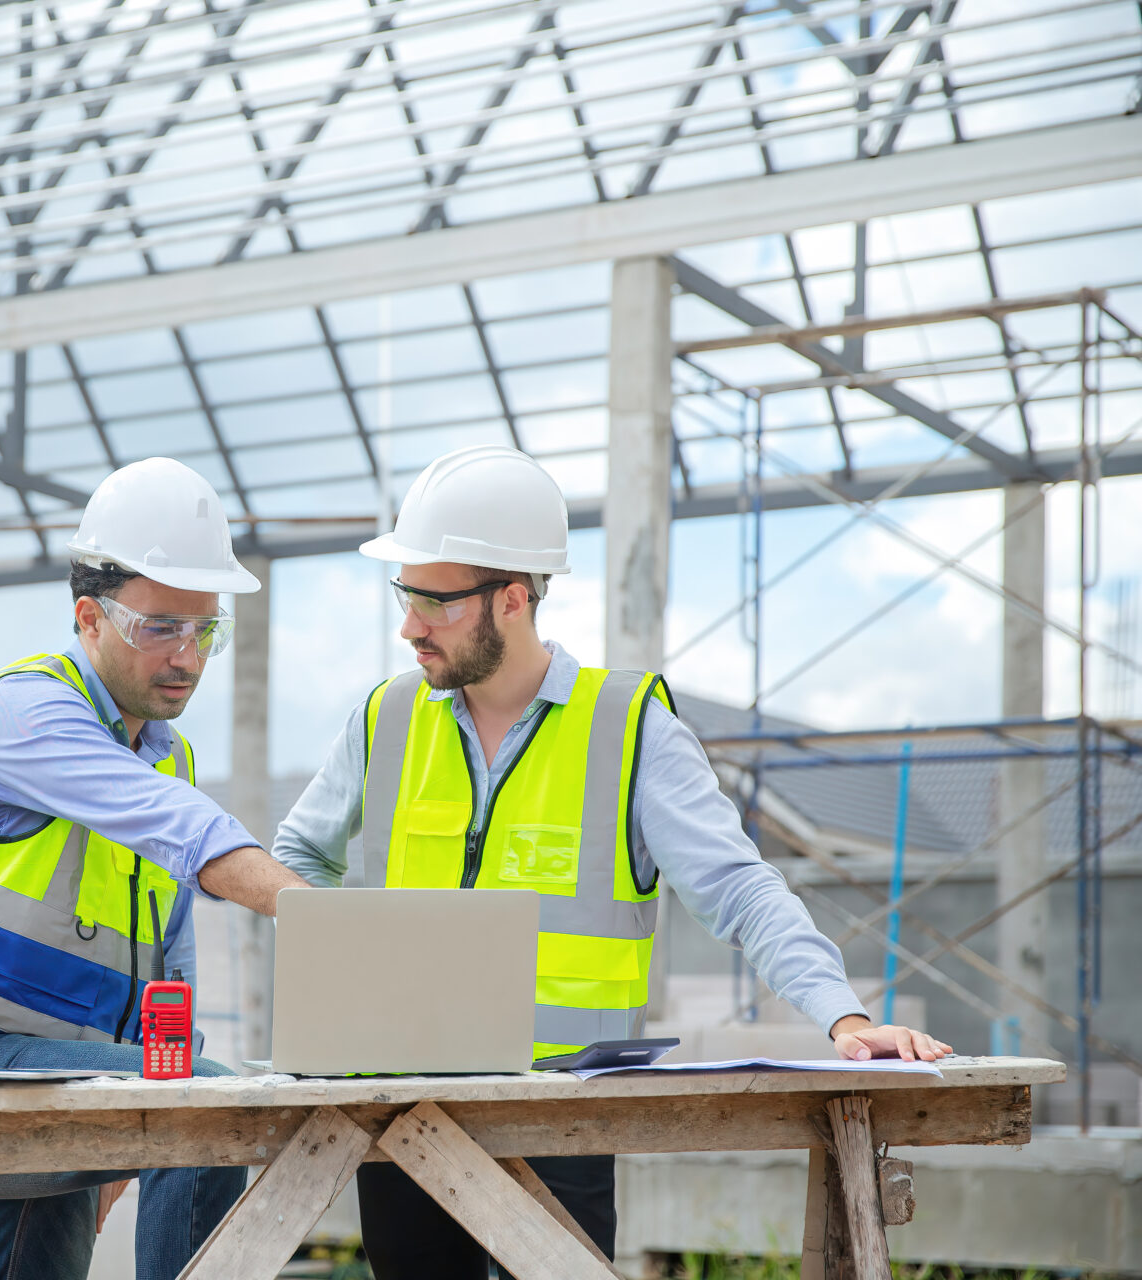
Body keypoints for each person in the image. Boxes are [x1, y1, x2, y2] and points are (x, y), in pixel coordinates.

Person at [271, 443, 951, 1280]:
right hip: (400, 1105)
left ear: (513, 599)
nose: (409, 624)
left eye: (434, 602)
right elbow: (293, 857)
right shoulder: (385, 717)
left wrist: (843, 1018)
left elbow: (738, 887)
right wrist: (348, 984)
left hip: (561, 1119)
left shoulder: (628, 728)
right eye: (405, 596)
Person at [0, 456, 308, 1280]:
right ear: (90, 617)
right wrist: (321, 916)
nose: (188, 657)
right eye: (160, 626)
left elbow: (171, 957)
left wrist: (148, 1093)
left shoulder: (166, 755)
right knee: (209, 1108)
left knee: (179, 1101)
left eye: (205, 630)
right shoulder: (22, 714)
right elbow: (182, 830)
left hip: (60, 1064)